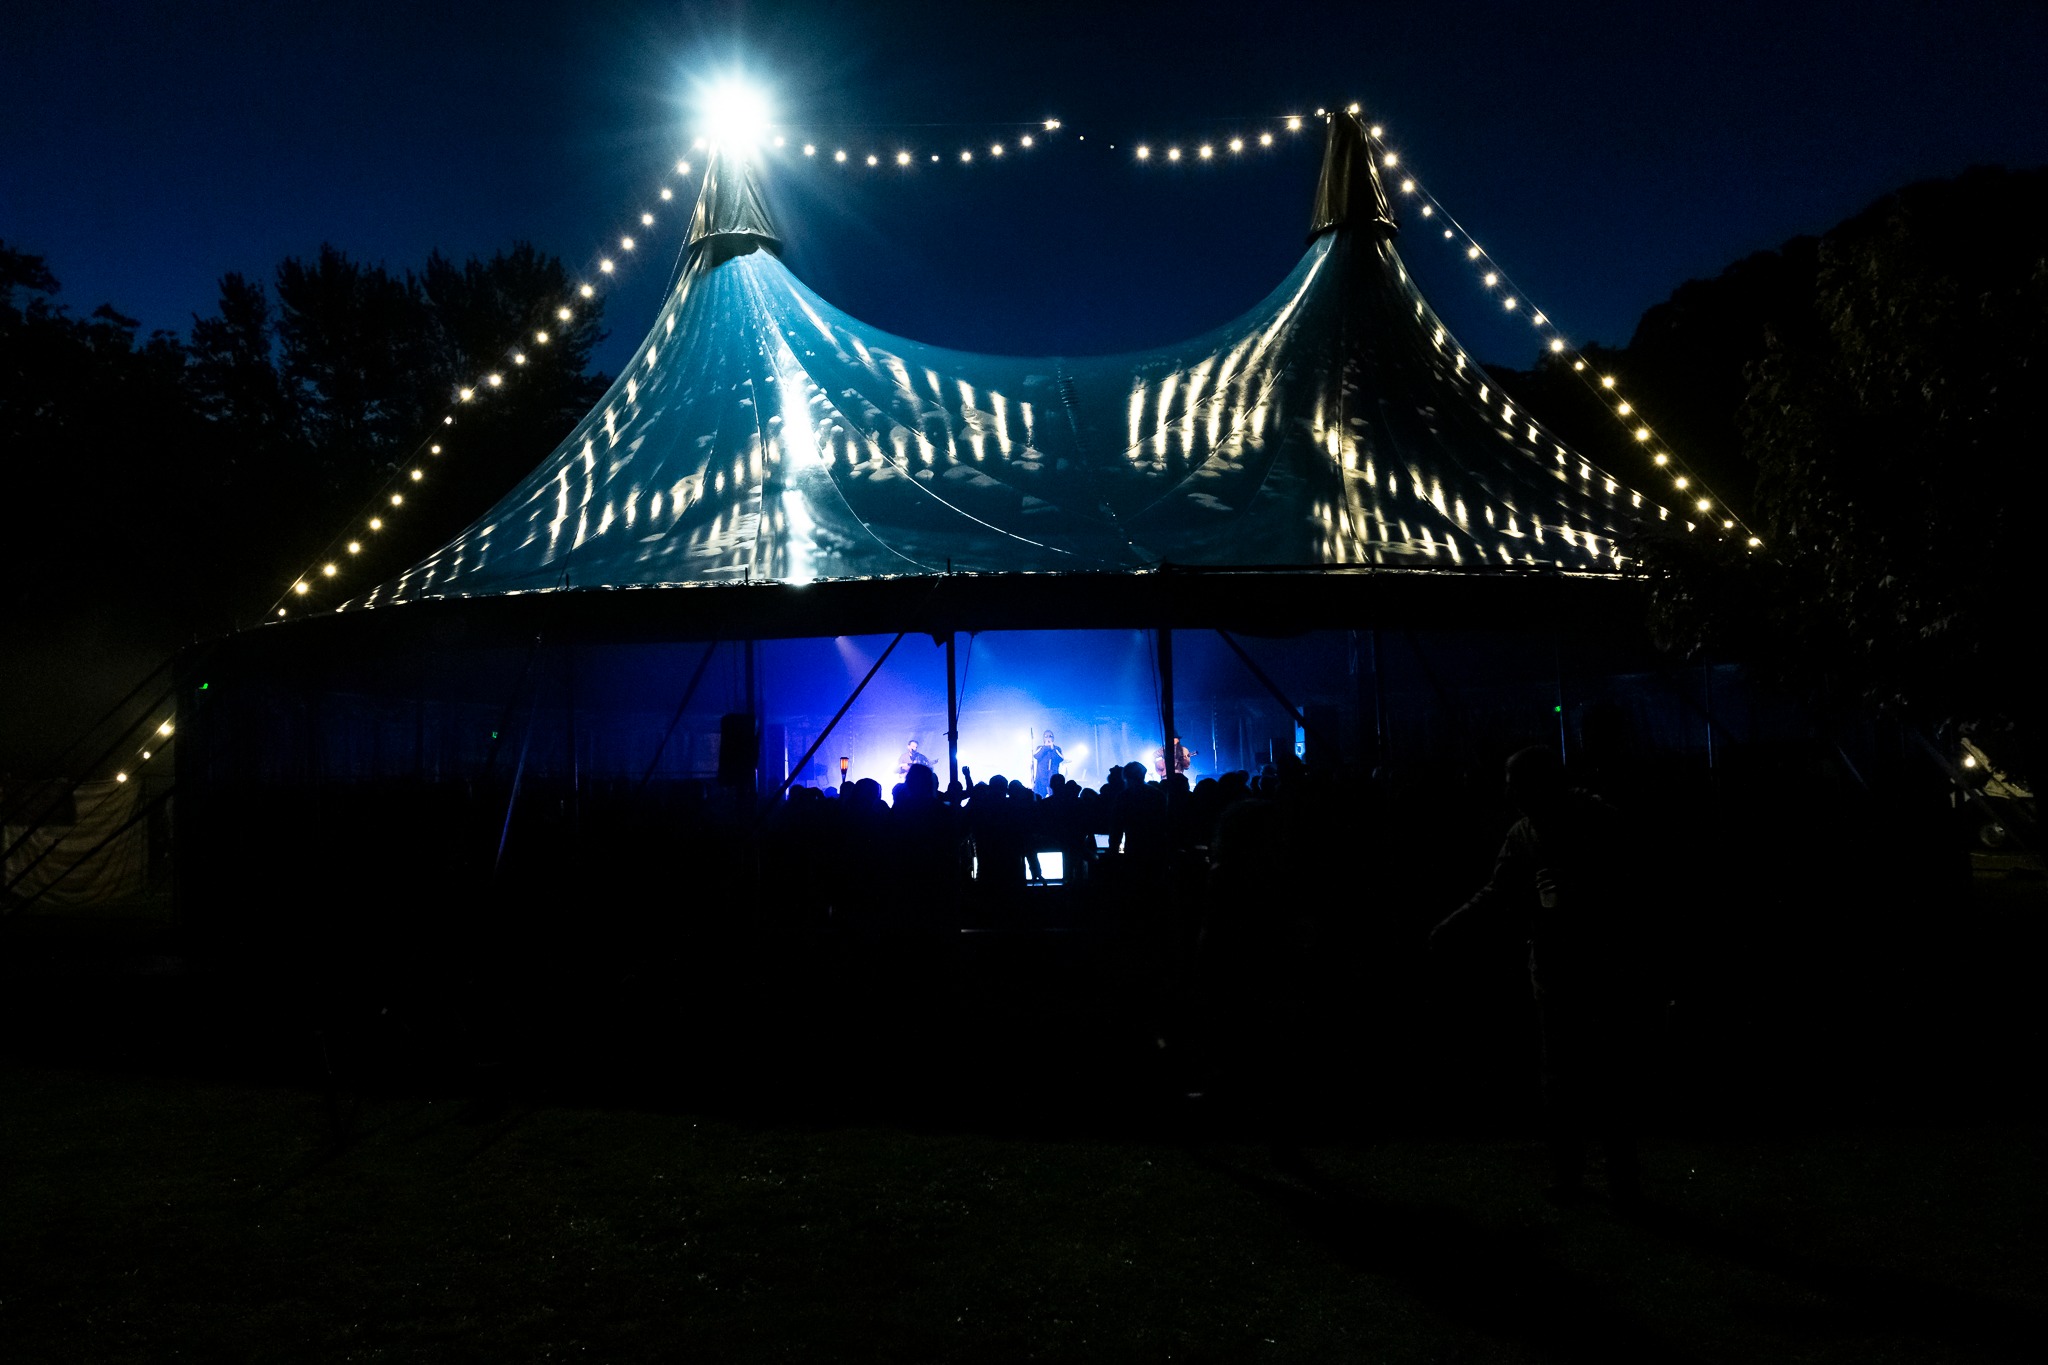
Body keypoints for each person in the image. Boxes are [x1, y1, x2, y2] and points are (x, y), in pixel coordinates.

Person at [1430, 745, 1650, 1208]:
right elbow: (1502, 889)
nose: (1507, 791)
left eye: (1514, 782)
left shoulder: (1552, 827)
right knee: (1586, 1075)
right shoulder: (1556, 825)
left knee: (1579, 1075)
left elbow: (1632, 883)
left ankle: (1591, 1177)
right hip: (1569, 967)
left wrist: (1454, 925)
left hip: (1585, 967)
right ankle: (1604, 1178)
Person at [1030, 729, 1064, 798]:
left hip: (1053, 778)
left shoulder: (1057, 749)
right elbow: (1036, 756)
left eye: (1050, 736)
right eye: (1046, 736)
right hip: (1041, 778)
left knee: (1053, 797)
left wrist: (1052, 748)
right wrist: (1045, 747)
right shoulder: (1040, 748)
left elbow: (1060, 758)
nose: (1048, 738)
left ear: (1053, 738)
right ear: (1043, 738)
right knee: (1039, 797)